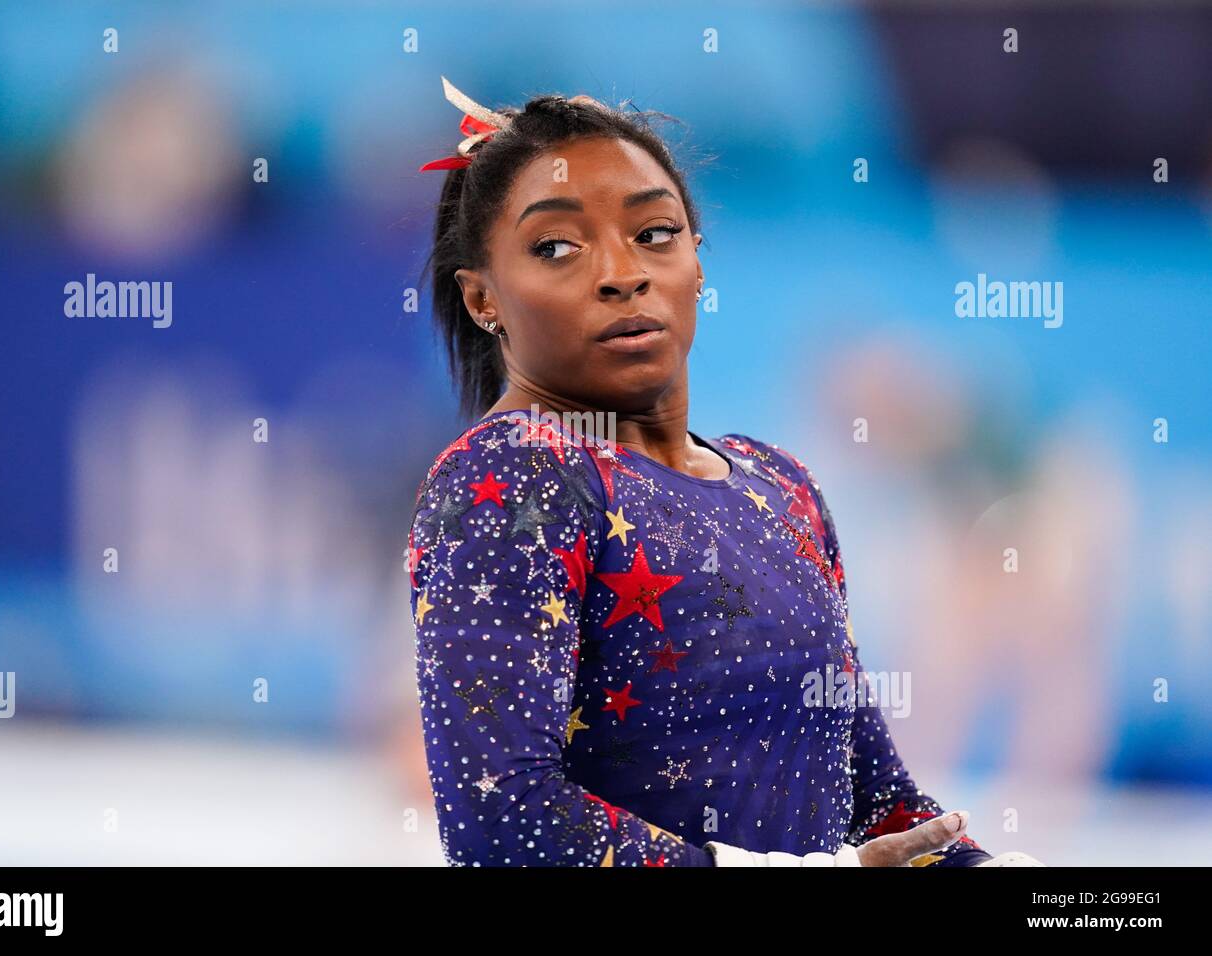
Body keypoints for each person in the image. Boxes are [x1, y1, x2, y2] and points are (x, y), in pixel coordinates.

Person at [406, 77, 1044, 867]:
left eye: (654, 234)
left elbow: (877, 803)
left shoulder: (781, 487)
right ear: (482, 299)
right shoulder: (514, 476)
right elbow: (502, 820)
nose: (621, 273)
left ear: (697, 262)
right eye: (557, 247)